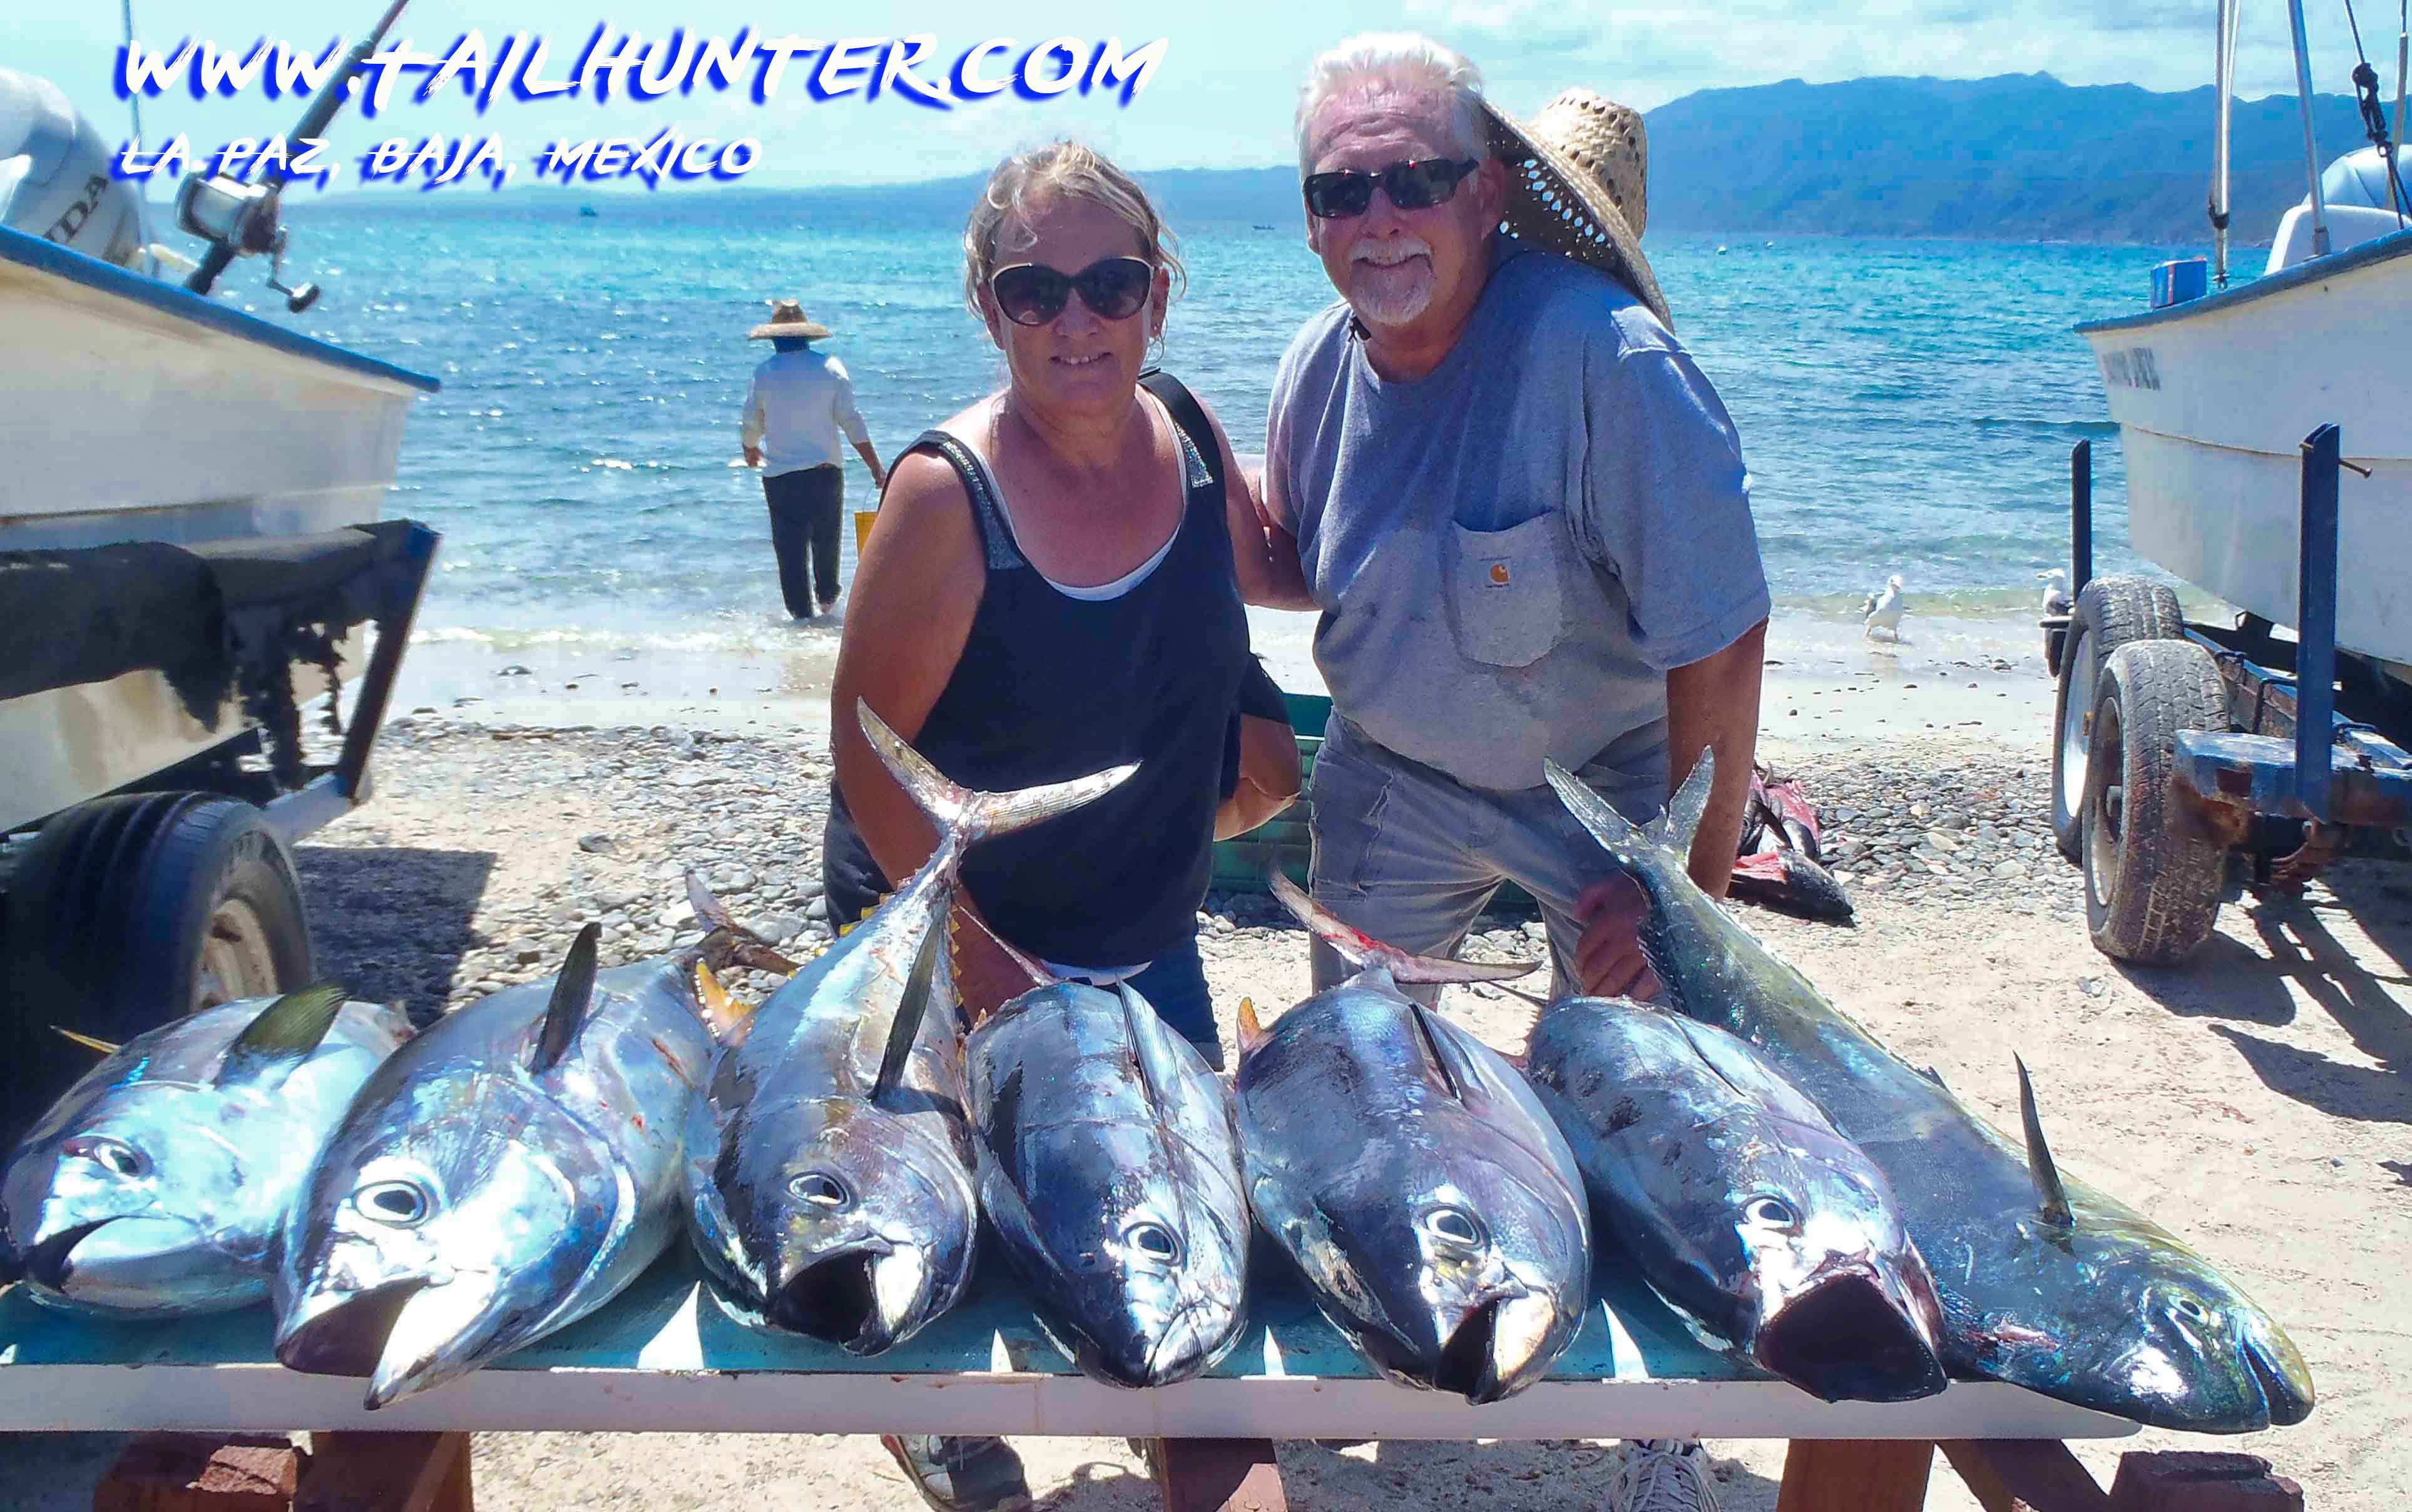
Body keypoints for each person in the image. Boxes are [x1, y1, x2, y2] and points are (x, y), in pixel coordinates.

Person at [1255, 34, 1771, 1512]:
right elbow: (1297, 557)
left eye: (1413, 179)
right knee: (1367, 1093)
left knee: (1654, 1093)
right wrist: (1114, 484)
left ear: (1486, 192)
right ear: (1308, 217)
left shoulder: (1609, 360)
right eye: (1341, 189)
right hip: (1388, 774)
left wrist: (1677, 892)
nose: (1377, 218)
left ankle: (1660, 1428)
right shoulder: (1311, 367)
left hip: (1604, 782)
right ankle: (1413, 1349)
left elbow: (1722, 639)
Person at [819, 140, 1290, 1512]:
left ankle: (1167, 1419)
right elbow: (866, 759)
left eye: (1110, 284)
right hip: (948, 941)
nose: (1075, 319)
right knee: (943, 1247)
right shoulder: (942, 497)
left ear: (1158, 296)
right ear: (990, 309)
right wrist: (980, 970)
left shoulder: (1190, 439)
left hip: (1144, 936)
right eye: (1035, 290)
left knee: (1179, 1254)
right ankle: (932, 1418)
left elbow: (1269, 584)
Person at [740, 299, 887, 619]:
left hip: (781, 477)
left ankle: (800, 621)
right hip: (825, 472)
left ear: (775, 338)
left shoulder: (764, 373)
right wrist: (876, 468)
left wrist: (749, 448)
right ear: (806, 336)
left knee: (789, 553)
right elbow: (852, 421)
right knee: (827, 542)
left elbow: (752, 422)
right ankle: (828, 607)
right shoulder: (831, 368)